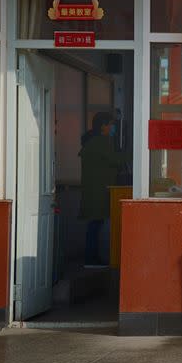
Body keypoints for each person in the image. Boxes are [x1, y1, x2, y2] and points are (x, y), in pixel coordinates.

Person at [79, 112, 127, 268]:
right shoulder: (101, 142)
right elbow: (116, 160)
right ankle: (91, 260)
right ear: (103, 126)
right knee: (95, 225)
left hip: (94, 190)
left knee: (95, 225)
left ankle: (91, 258)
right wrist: (131, 152)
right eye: (111, 124)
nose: (113, 127)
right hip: (97, 191)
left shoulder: (94, 142)